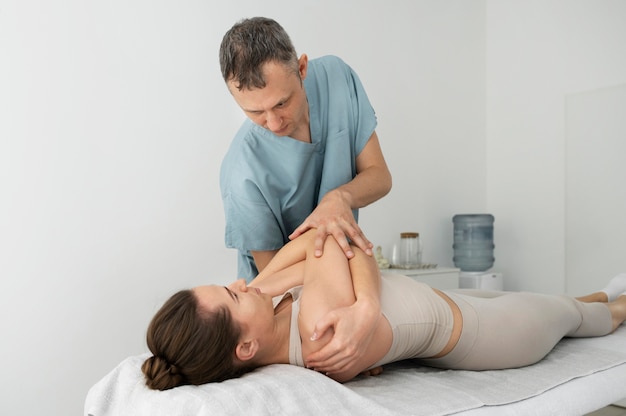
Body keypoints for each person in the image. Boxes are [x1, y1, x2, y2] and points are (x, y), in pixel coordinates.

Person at [141, 229, 626, 390]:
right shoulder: (316, 327)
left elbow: (316, 243)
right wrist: (294, 275)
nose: (240, 282)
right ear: (244, 347)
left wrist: (258, 291)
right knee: (584, 317)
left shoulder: (271, 319)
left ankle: (604, 293)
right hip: (487, 332)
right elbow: (330, 236)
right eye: (230, 295)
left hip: (452, 306)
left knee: (567, 299)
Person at [218, 17, 392, 281]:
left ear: (301, 68)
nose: (274, 123)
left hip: (345, 272)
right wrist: (352, 275)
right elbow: (275, 280)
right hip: (286, 297)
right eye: (255, 112)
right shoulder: (241, 172)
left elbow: (380, 177)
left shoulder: (337, 79)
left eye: (281, 103)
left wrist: (339, 198)